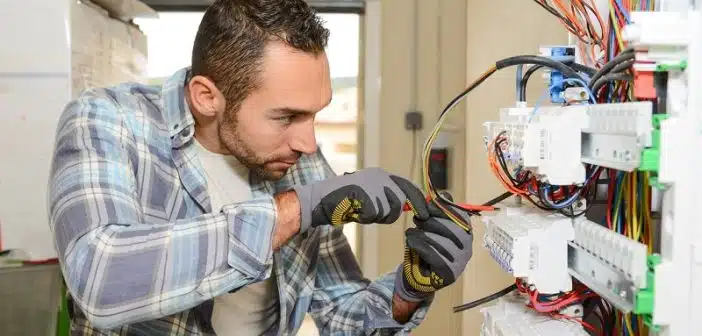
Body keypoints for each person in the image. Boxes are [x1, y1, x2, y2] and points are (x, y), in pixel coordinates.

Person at [47, 0, 473, 335]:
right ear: (206, 97)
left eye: (314, 115)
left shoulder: (300, 165)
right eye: (286, 117)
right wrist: (293, 211)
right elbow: (99, 278)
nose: (308, 143)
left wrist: (409, 289)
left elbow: (341, 314)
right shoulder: (108, 122)